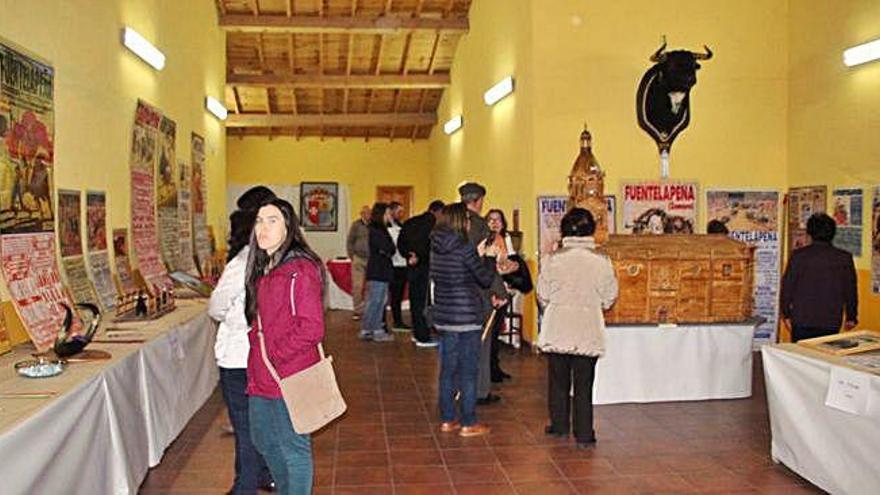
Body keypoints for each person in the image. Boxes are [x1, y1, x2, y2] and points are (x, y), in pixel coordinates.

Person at [245, 198, 325, 494]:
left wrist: (274, 356)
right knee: (262, 439)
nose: (262, 228)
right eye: (258, 221)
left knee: (294, 447)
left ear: (289, 227)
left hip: (289, 375)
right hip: (262, 376)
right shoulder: (267, 268)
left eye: (272, 220)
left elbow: (312, 328)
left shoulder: (299, 270)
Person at [208, 186, 276, 495]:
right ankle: (263, 474)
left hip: (239, 355)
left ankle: (244, 487)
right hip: (268, 353)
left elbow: (216, 307)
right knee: (261, 422)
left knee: (246, 425)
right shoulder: (278, 258)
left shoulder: (242, 263)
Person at [537, 208, 618, 448]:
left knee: (558, 381)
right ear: (591, 230)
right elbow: (609, 297)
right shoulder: (602, 261)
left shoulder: (553, 259)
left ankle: (559, 425)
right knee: (584, 384)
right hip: (587, 327)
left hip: (558, 326)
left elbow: (543, 294)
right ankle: (584, 433)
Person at [431, 202, 495, 437]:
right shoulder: (465, 247)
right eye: (467, 219)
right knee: (468, 371)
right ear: (460, 221)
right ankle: (468, 422)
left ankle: (448, 419)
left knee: (447, 371)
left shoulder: (436, 247)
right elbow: (484, 279)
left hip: (445, 315)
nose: (469, 223)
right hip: (467, 315)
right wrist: (487, 258)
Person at [459, 182, 507, 405]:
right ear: (479, 201)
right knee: (481, 342)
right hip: (479, 291)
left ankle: (455, 387)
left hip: (455, 290)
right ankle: (479, 390)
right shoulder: (480, 226)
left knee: (458, 342)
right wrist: (498, 291)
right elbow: (486, 263)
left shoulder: (452, 222)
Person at [781, 213, 858, 342]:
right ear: (833, 233)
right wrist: (852, 316)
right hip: (831, 319)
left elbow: (787, 287)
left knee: (801, 359)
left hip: (801, 319)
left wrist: (786, 314)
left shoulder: (798, 256)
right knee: (823, 359)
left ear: (809, 233)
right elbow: (850, 289)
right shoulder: (844, 257)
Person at [398, 200, 444, 347]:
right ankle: (423, 337)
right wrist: (420, 257)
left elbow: (400, 243)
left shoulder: (410, 222)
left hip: (412, 267)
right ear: (438, 212)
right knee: (425, 302)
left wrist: (409, 255)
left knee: (415, 301)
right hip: (427, 268)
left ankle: (416, 332)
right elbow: (432, 246)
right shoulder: (435, 225)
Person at [483, 209, 517, 383]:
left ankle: (495, 367)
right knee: (490, 331)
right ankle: (489, 370)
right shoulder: (486, 241)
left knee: (496, 331)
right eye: (491, 219)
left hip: (505, 288)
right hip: (492, 290)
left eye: (498, 220)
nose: (495, 223)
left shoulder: (506, 239)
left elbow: (511, 261)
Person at [360, 203, 395, 342]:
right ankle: (375, 329)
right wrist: (389, 249)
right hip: (378, 269)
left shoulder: (379, 229)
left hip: (380, 269)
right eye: (387, 213)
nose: (389, 216)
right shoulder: (377, 230)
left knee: (378, 300)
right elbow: (388, 248)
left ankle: (369, 328)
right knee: (376, 301)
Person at [386, 201, 410, 330]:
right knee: (393, 295)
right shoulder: (386, 226)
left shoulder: (402, 225)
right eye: (399, 211)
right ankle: (394, 321)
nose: (401, 214)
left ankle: (398, 320)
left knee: (399, 294)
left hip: (403, 263)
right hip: (392, 264)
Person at [346, 206, 371, 320]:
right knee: (357, 286)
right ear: (361, 214)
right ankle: (357, 310)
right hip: (358, 258)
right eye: (365, 213)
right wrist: (352, 256)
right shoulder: (356, 225)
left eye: (369, 213)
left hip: (371, 260)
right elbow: (350, 241)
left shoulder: (374, 225)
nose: (367, 215)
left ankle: (368, 309)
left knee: (370, 287)